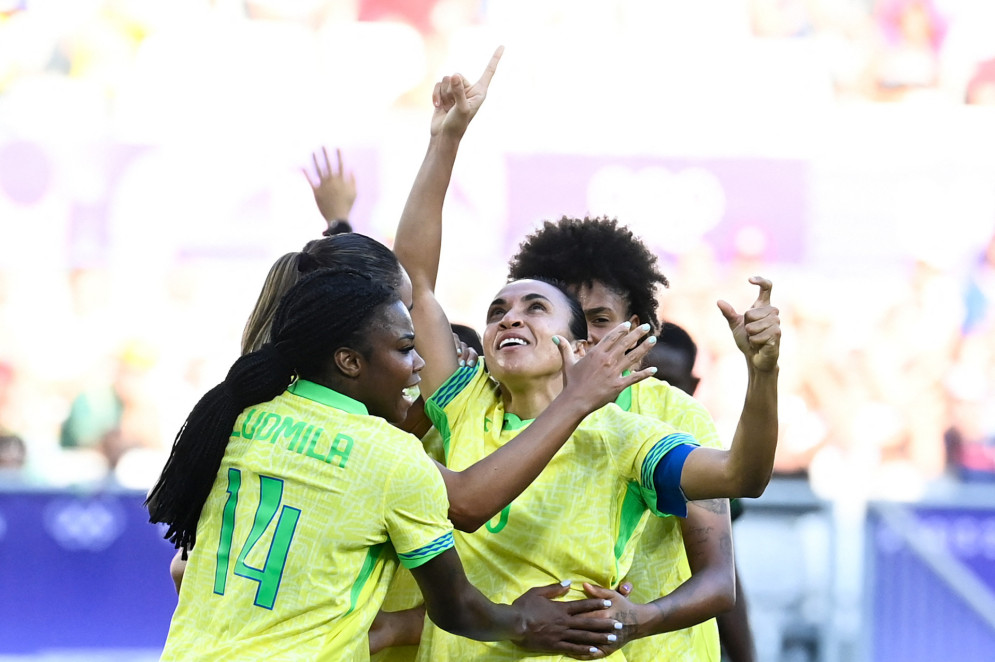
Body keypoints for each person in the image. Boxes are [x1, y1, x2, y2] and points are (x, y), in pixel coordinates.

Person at [389, 63, 780, 661]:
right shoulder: (465, 397)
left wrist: (764, 374)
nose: (509, 319)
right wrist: (446, 138)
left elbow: (741, 480)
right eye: (498, 310)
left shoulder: (633, 433)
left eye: (536, 308)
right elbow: (414, 280)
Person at [147, 268, 635, 661]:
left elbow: (180, 569)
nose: (419, 365)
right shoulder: (389, 456)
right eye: (405, 349)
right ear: (349, 362)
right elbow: (458, 604)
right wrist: (524, 620)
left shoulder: (244, 416)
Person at [506, 216, 776, 660]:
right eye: (566, 314)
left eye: (599, 319)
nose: (584, 335)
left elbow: (719, 580)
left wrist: (639, 619)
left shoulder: (673, 413)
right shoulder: (494, 402)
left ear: (634, 325)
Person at [643, 324, 757, 662]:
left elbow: (722, 569)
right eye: (649, 378)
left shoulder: (700, 462)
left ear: (693, 387)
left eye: (671, 382)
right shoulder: (597, 437)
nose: (658, 393)